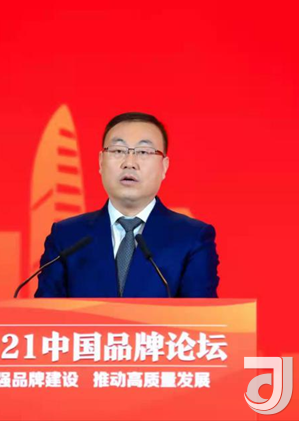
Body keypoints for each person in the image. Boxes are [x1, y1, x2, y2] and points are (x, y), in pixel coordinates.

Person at [34, 112, 219, 298]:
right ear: (101, 162)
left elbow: (200, 314)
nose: (129, 163)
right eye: (118, 151)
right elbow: (44, 313)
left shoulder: (192, 238)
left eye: (144, 152)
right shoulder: (67, 237)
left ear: (164, 166)